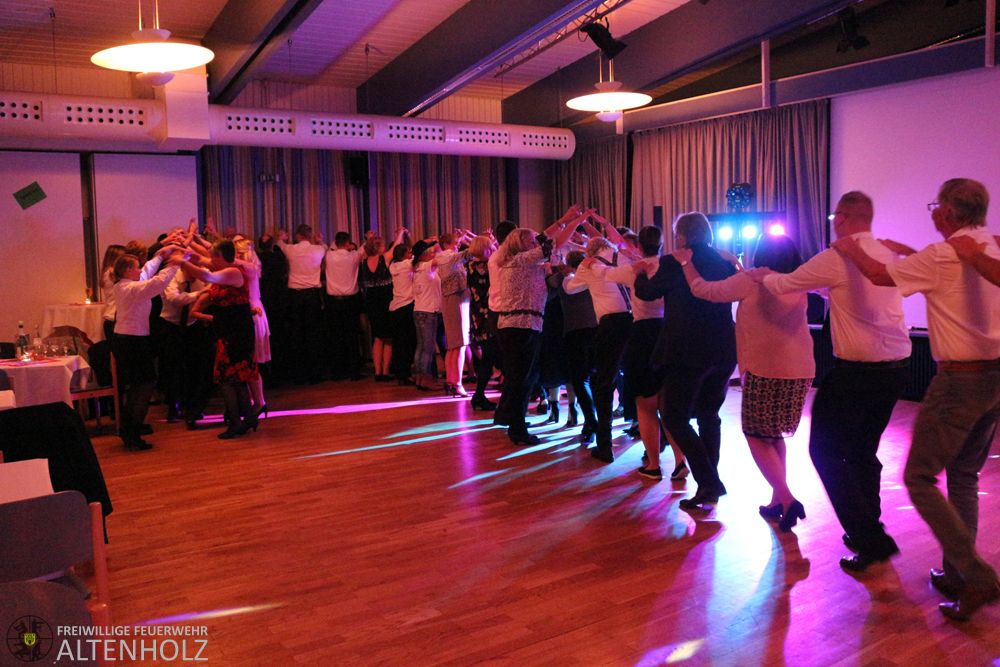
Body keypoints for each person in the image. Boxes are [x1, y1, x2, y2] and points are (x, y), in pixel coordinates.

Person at [832, 179, 1000, 619]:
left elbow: (877, 274)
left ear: (947, 211)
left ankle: (976, 575)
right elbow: (944, 265)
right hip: (993, 380)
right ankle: (958, 574)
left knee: (919, 478)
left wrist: (849, 248)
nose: (933, 213)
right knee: (963, 475)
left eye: (934, 206)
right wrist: (907, 251)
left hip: (959, 381)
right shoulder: (992, 246)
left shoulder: (942, 255)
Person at [756, 191, 911, 571]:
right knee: (861, 452)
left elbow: (785, 284)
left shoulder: (838, 255)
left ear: (841, 218)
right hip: (896, 369)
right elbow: (841, 290)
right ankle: (869, 530)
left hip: (858, 372)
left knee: (824, 451)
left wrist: (761, 275)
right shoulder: (887, 253)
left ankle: (869, 538)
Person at [676, 233, 814, 531]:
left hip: (765, 369)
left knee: (755, 434)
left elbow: (704, 290)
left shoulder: (752, 281)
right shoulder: (797, 281)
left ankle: (787, 498)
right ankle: (778, 498)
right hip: (800, 369)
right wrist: (736, 266)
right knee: (773, 435)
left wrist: (686, 263)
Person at [634, 212, 737, 510]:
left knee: (674, 417)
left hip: (687, 351)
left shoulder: (674, 261)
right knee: (708, 415)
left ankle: (709, 482)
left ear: (681, 236)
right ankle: (709, 483)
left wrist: (640, 273)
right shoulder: (723, 261)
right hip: (722, 349)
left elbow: (647, 293)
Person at [492, 217, 582, 445]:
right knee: (522, 379)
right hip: (520, 326)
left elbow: (543, 292)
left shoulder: (523, 263)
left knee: (522, 377)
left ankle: (512, 420)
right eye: (531, 240)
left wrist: (557, 273)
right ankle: (517, 430)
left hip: (522, 325)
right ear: (519, 244)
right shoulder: (520, 259)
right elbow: (550, 243)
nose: (535, 243)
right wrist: (569, 220)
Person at [565, 233, 635, 463]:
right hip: (636, 320)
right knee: (639, 379)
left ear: (590, 251)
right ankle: (655, 438)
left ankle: (605, 446)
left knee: (603, 383)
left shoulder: (588, 264)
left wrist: (568, 275)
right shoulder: (622, 256)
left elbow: (571, 288)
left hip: (611, 324)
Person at [184, 240, 261, 440]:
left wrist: (181, 261)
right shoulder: (223, 270)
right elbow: (201, 260)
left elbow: (206, 275)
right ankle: (248, 418)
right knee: (235, 378)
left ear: (220, 257)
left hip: (237, 332)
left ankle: (236, 422)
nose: (210, 260)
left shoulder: (233, 272)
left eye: (213, 256)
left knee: (226, 378)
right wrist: (182, 249)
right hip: (228, 330)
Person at [110, 246, 183, 451]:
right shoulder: (131, 289)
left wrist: (161, 255)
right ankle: (132, 432)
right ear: (127, 270)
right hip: (132, 342)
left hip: (129, 340)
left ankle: (130, 428)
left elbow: (148, 271)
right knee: (143, 385)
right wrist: (175, 264)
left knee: (139, 386)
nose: (140, 269)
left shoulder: (125, 284)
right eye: (136, 267)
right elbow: (157, 282)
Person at [276, 225, 326, 384]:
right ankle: (315, 373)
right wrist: (320, 241)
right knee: (314, 334)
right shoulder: (318, 249)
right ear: (310, 236)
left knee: (297, 334)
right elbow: (325, 248)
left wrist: (281, 237)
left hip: (295, 296)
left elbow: (279, 244)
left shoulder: (291, 249)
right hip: (312, 295)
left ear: (298, 236)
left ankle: (299, 374)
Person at [434, 230, 476, 397]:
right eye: (455, 243)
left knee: (454, 345)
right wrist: (474, 239)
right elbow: (469, 253)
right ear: (446, 245)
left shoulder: (448, 257)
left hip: (455, 299)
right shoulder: (446, 257)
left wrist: (463, 238)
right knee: (459, 343)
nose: (458, 245)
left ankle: (452, 381)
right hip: (455, 300)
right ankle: (457, 383)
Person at [360, 229, 406, 381]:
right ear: (379, 248)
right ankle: (385, 372)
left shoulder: (364, 262)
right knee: (388, 338)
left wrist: (369, 238)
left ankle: (377, 372)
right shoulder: (383, 259)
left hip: (371, 302)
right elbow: (396, 246)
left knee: (377, 337)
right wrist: (400, 233)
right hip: (384, 301)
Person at [234, 235, 270, 417]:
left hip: (252, 313)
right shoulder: (245, 268)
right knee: (247, 362)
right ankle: (252, 402)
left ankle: (259, 401)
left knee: (250, 362)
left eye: (238, 253)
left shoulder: (250, 268)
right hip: (248, 312)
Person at [324, 231, 363, 380]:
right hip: (351, 301)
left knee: (335, 337)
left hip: (333, 302)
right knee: (352, 337)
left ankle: (337, 372)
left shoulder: (329, 255)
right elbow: (364, 249)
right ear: (347, 243)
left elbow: (328, 247)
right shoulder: (353, 256)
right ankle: (354, 372)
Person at [466, 235, 498, 410]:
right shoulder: (488, 266)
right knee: (490, 356)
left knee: (488, 356)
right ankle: (479, 395)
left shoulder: (468, 266)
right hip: (489, 316)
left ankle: (479, 395)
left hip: (477, 316)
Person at [410, 240, 443, 391]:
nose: (432, 254)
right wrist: (438, 244)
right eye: (429, 252)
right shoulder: (425, 266)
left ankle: (419, 378)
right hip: (428, 311)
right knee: (428, 348)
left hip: (420, 310)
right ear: (423, 255)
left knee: (421, 347)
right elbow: (442, 258)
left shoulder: (418, 266)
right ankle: (426, 380)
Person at [388, 243, 417, 385]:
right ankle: (405, 373)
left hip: (395, 307)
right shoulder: (407, 264)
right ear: (403, 255)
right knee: (408, 342)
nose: (411, 254)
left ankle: (399, 372)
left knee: (399, 342)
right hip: (406, 305)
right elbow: (420, 257)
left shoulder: (393, 265)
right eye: (409, 252)